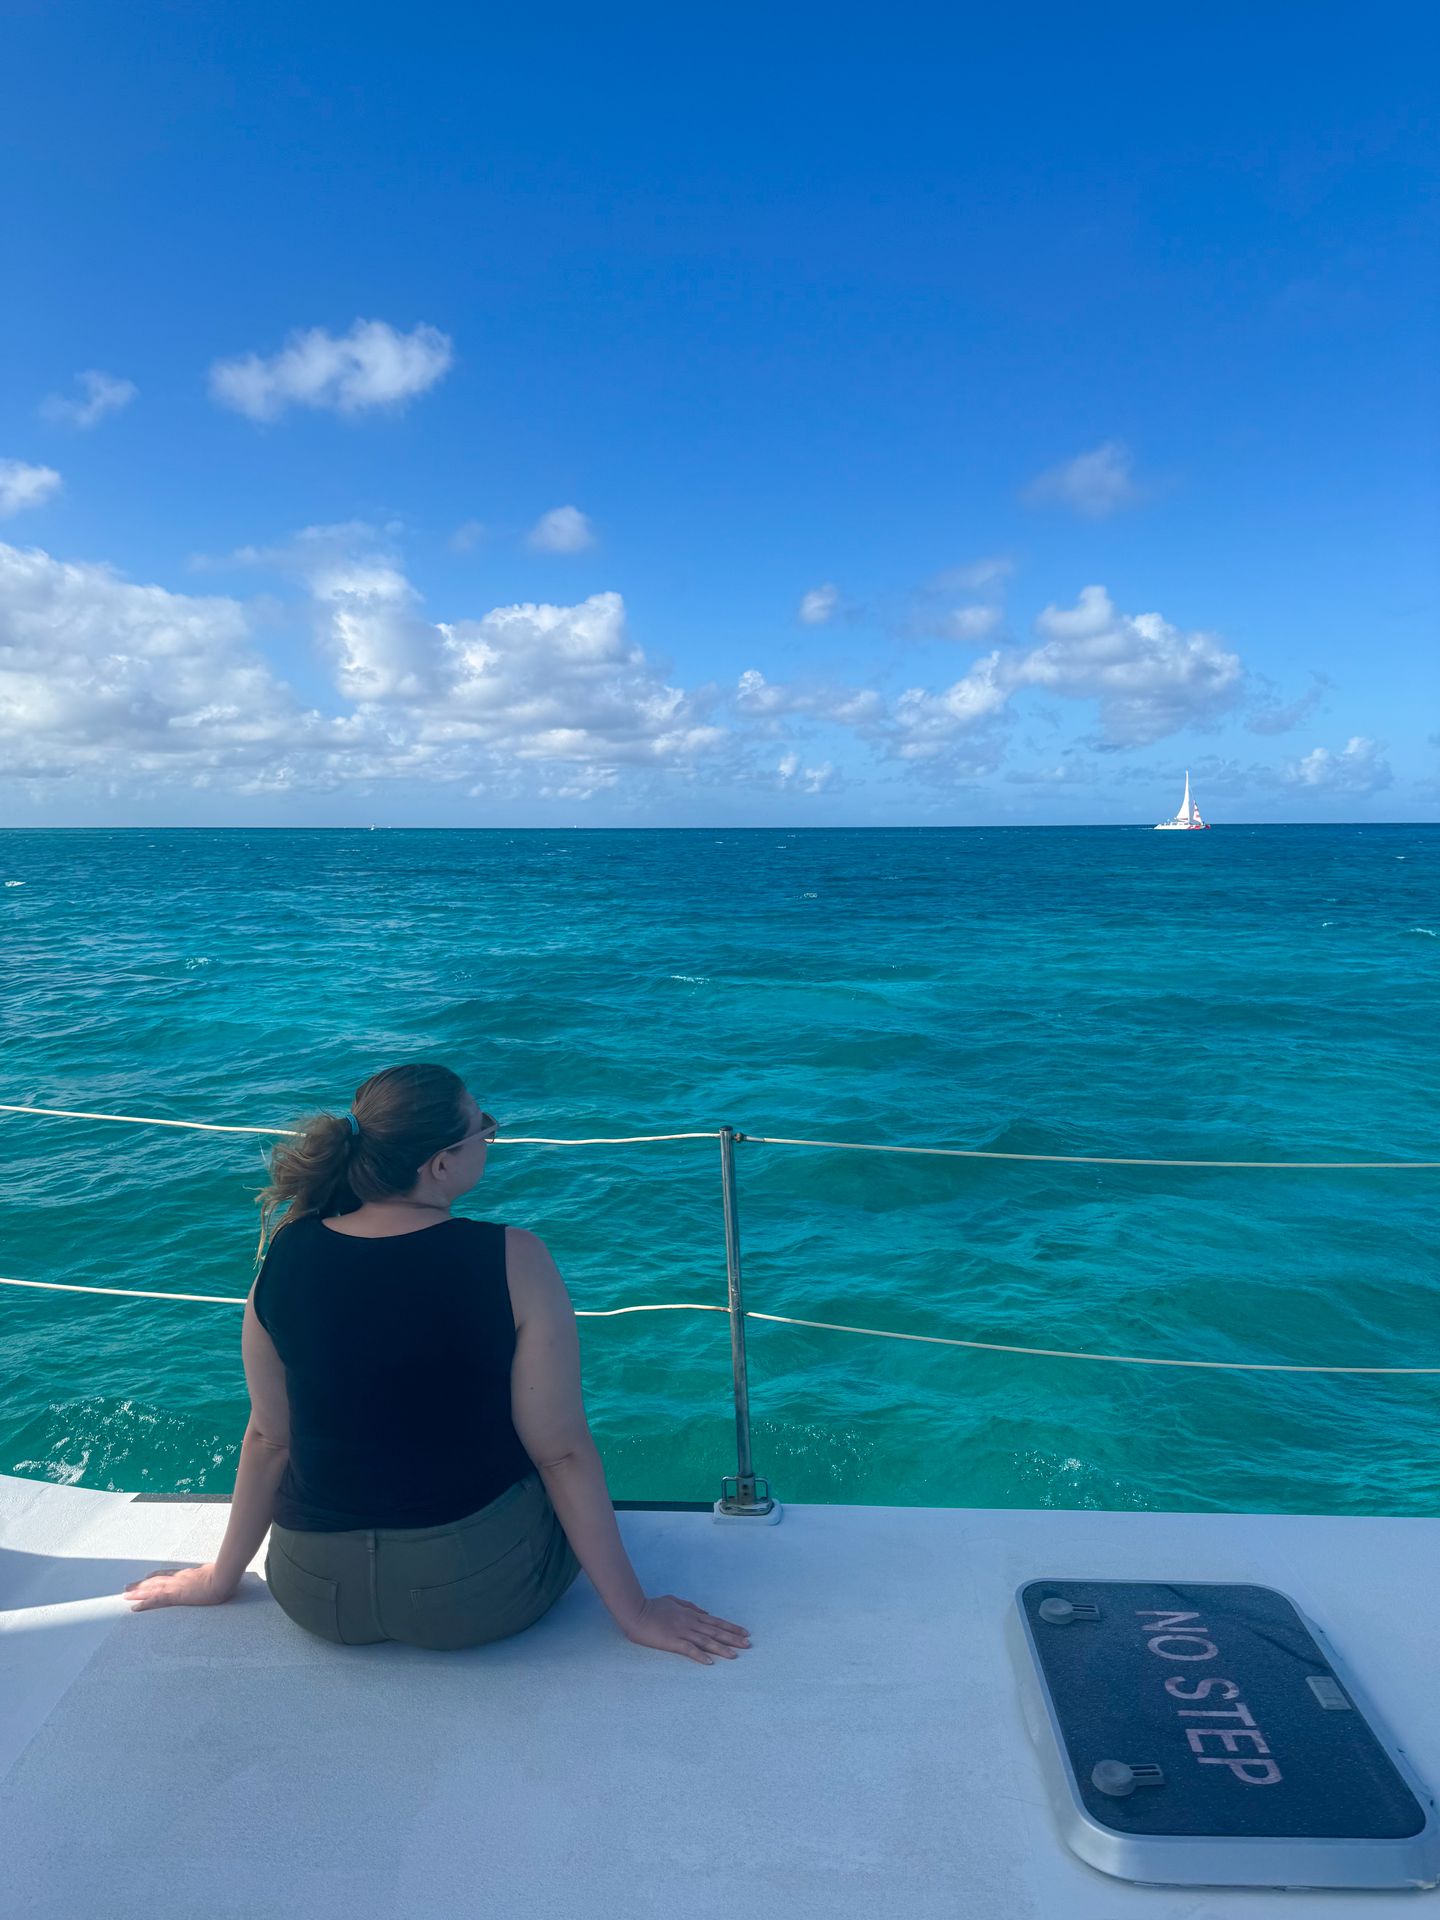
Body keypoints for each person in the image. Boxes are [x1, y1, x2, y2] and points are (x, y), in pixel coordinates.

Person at [123, 1061, 751, 1666]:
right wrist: (636, 1613)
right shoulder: (514, 1257)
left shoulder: (287, 1251)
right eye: (484, 1125)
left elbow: (268, 1437)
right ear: (442, 1164)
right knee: (553, 1475)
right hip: (472, 1598)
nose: (492, 1134)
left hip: (316, 1595)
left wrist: (218, 1579)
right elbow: (560, 1453)